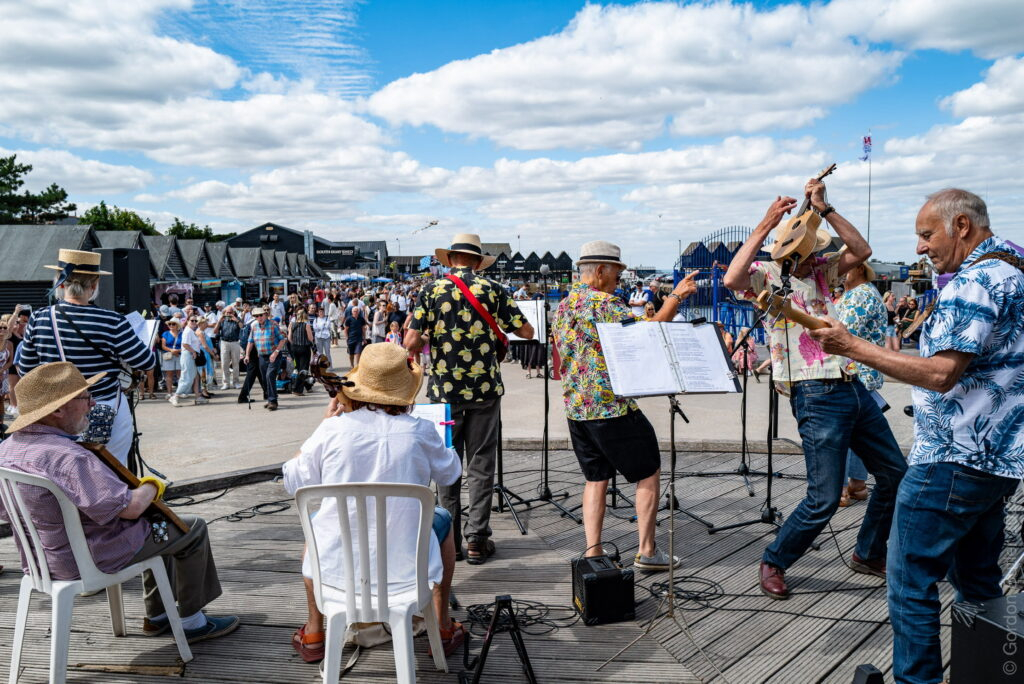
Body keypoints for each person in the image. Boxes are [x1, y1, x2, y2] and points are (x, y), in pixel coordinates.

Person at [809, 189, 1024, 684]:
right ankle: (988, 672)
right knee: (979, 582)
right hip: (997, 459)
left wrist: (850, 346)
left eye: (927, 235)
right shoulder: (1014, 271)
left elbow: (941, 373)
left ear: (962, 226)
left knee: (910, 580)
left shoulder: (974, 282)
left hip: (952, 458)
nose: (920, 247)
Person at [723, 181, 906, 600]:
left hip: (852, 385)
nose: (814, 254)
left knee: (896, 474)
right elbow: (733, 278)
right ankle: (775, 559)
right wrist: (766, 223)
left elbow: (862, 250)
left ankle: (867, 552)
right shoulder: (768, 275)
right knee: (823, 498)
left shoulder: (825, 271)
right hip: (815, 393)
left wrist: (825, 208)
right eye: (809, 248)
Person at [0, 362, 239, 643]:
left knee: (158, 526)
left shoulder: (6, 450)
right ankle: (191, 622)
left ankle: (159, 617)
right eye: (85, 397)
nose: (92, 403)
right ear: (58, 410)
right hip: (88, 558)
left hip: (41, 561)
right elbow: (130, 508)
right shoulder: (69, 457)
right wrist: (152, 485)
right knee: (190, 528)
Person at [282, 343, 465, 662]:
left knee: (316, 528)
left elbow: (293, 480)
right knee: (442, 519)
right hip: (406, 569)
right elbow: (450, 474)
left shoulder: (332, 430)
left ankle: (314, 632)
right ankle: (443, 625)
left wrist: (322, 427)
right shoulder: (420, 431)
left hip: (338, 569)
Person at [553, 241, 698, 570]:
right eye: (616, 274)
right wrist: (676, 297)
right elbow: (648, 334)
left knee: (596, 478)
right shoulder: (603, 303)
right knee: (648, 471)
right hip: (611, 407)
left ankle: (593, 551)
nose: (619, 280)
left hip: (577, 407)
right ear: (600, 271)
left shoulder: (564, 305)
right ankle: (647, 551)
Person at [404, 234, 534, 564]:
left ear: (451, 260)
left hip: (444, 393)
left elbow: (410, 341)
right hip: (484, 390)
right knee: (481, 463)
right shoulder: (493, 289)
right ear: (478, 262)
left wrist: (430, 334)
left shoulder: (431, 290)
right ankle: (477, 539)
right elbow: (527, 332)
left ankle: (449, 542)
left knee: (446, 463)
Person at [16, 249, 156, 465]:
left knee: (61, 471)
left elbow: (26, 370)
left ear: (61, 283)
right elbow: (146, 361)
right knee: (110, 470)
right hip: (104, 405)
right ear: (94, 285)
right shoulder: (112, 321)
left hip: (55, 410)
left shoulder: (38, 318)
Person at [835, 257, 887, 507]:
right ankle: (857, 484)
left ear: (859, 268)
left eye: (844, 268)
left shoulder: (861, 294)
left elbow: (843, 332)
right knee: (857, 432)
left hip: (856, 371)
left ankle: (841, 488)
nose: (839, 272)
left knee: (842, 431)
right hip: (864, 370)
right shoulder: (863, 292)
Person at [245, 307, 287, 411]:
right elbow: (250, 342)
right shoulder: (254, 326)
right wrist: (247, 355)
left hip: (274, 355)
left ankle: (273, 401)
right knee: (265, 379)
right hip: (262, 356)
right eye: (256, 316)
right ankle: (270, 399)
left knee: (270, 375)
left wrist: (276, 352)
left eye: (261, 315)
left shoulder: (273, 325)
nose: (259, 317)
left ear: (265, 315)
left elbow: (282, 340)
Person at [170, 317, 207, 407]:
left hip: (191, 355)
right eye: (192, 320)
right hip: (188, 355)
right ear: (187, 321)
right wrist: (193, 352)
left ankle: (198, 396)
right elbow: (185, 344)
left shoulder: (191, 331)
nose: (194, 322)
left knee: (195, 376)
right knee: (187, 377)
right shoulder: (187, 331)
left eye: (195, 320)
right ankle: (175, 396)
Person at [236, 310, 267, 404]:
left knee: (259, 373)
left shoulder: (251, 322)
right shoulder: (255, 324)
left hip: (252, 350)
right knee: (252, 374)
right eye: (258, 315)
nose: (260, 316)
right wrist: (251, 354)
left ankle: (267, 393)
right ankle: (242, 396)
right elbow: (253, 340)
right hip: (254, 350)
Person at [214, 305, 242, 390]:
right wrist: (219, 321)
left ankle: (236, 382)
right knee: (224, 363)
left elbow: (242, 327)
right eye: (227, 312)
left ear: (234, 312)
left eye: (230, 312)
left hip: (235, 342)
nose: (229, 314)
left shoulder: (237, 319)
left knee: (236, 363)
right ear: (224, 313)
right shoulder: (222, 320)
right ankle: (226, 383)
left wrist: (236, 320)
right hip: (224, 342)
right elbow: (215, 331)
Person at [159, 319, 183, 400]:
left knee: (180, 374)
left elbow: (185, 345)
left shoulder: (182, 334)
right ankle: (169, 393)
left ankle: (179, 392)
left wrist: (178, 351)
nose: (171, 326)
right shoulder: (165, 333)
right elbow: (163, 346)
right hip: (169, 355)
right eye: (170, 324)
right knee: (169, 375)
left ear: (177, 326)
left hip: (179, 355)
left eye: (173, 324)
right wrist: (172, 350)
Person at [288, 309, 314, 377]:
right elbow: (310, 338)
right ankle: (302, 381)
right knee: (304, 368)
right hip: (304, 348)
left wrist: (294, 343)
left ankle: (296, 380)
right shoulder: (306, 325)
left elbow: (289, 338)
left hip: (294, 348)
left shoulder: (292, 324)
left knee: (297, 366)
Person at [342, 304, 368, 369]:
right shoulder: (349, 319)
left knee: (358, 352)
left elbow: (363, 329)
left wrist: (364, 338)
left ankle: (357, 366)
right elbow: (345, 329)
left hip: (359, 339)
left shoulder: (361, 319)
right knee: (351, 354)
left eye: (357, 311)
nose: (355, 312)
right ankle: (351, 364)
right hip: (351, 339)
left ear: (358, 312)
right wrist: (347, 338)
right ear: (352, 312)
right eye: (354, 311)